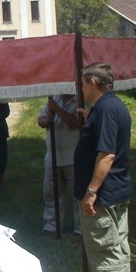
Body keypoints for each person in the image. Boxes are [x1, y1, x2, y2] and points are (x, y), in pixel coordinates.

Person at [74, 62, 132, 272]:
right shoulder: (111, 106)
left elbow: (107, 154)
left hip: (104, 196)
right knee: (118, 248)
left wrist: (91, 191)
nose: (82, 88)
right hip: (117, 191)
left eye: (83, 83)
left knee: (104, 250)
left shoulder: (107, 109)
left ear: (93, 83)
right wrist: (90, 120)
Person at [38, 95, 81, 236]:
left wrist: (58, 110)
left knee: (79, 196)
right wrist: (46, 120)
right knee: (51, 193)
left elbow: (78, 123)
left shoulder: (81, 100)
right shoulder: (54, 99)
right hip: (52, 157)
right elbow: (41, 120)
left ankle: (80, 229)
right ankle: (52, 226)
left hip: (74, 157)